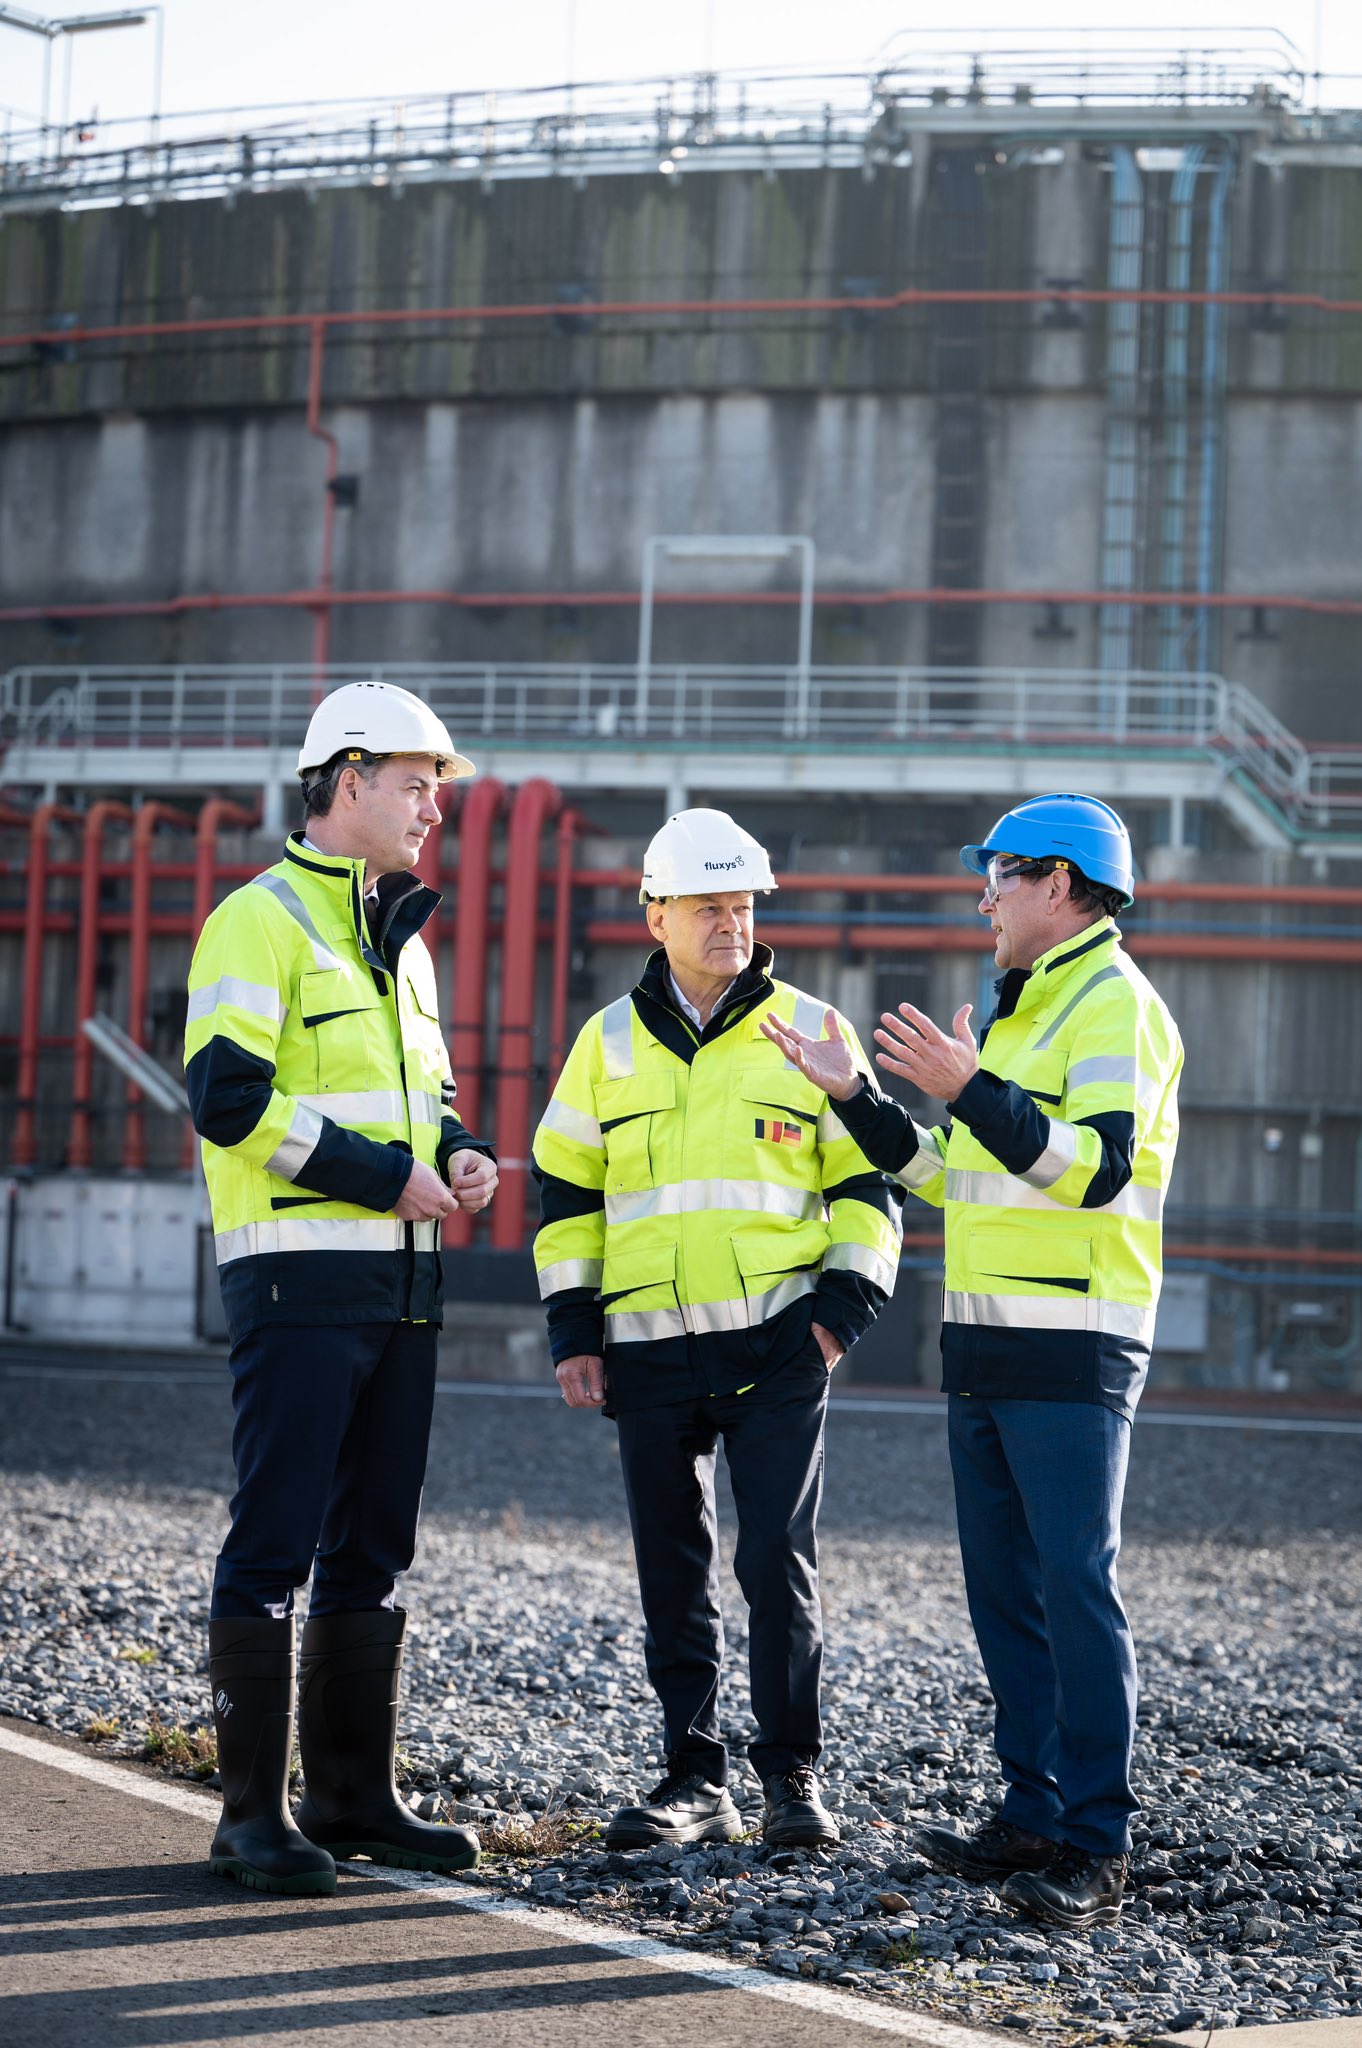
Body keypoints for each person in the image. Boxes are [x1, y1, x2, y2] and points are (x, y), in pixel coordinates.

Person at [762, 794, 1182, 1929]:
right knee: (1006, 1591)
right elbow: (948, 1174)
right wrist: (856, 1097)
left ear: (1060, 882)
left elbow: (1094, 1169)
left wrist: (970, 1088)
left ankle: (1097, 1842)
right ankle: (1033, 1813)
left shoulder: (1115, 1004)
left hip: (1076, 1339)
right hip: (988, 1342)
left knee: (1075, 1587)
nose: (984, 896)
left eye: (999, 874)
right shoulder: (1021, 1010)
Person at [532, 809, 903, 1852]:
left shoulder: (812, 1029)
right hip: (647, 1349)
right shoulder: (604, 1043)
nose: (732, 923)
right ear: (656, 915)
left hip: (779, 1344)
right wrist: (573, 1329)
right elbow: (567, 1194)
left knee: (776, 1561)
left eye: (743, 905)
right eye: (709, 907)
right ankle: (694, 1780)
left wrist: (838, 1317)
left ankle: (792, 1778)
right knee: (672, 1568)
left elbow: (869, 1186)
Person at [185, 680, 499, 1895]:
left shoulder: (400, 946)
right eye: (418, 785)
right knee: (274, 1540)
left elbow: (429, 1102)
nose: (433, 808)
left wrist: (458, 1151)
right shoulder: (256, 921)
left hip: (403, 1285)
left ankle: (352, 1795)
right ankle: (249, 1817)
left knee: (373, 1544)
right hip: (298, 1280)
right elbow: (228, 1099)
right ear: (349, 779)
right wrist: (384, 1176)